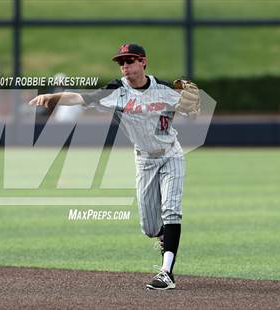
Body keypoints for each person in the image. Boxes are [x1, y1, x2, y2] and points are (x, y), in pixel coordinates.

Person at [29, 43, 199, 290]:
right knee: (150, 226)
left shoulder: (164, 89)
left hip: (171, 154)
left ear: (143, 62)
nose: (125, 66)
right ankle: (163, 235)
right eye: (121, 62)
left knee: (172, 211)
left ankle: (166, 272)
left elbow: (190, 113)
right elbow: (80, 98)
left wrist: (193, 106)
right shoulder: (116, 91)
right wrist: (53, 97)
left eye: (130, 61)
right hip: (144, 160)